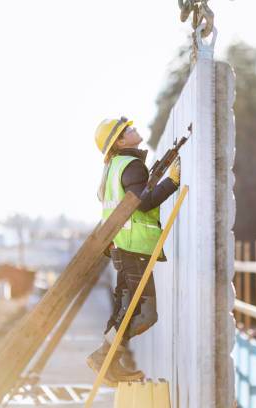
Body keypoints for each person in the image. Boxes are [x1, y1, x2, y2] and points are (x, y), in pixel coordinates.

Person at [86, 116, 181, 385]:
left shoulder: (114, 167)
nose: (133, 129)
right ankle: (104, 355)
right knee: (144, 314)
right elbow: (144, 202)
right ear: (119, 141)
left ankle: (109, 362)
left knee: (123, 310)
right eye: (127, 130)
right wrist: (172, 182)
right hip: (134, 248)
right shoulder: (132, 165)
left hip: (122, 247)